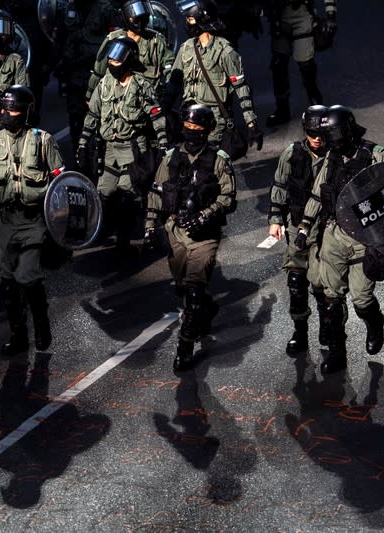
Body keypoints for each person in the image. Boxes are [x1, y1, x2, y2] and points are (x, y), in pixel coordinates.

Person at [0, 85, 64, 356]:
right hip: (6, 221)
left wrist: (61, 226)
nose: (8, 113)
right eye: (5, 108)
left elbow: (61, 183)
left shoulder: (43, 141)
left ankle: (41, 324)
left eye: (14, 109)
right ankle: (18, 335)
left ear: (26, 112)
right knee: (7, 280)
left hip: (35, 221)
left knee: (28, 276)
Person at [296, 105, 384, 373]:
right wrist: (304, 227)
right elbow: (318, 194)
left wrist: (383, 237)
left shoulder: (374, 155)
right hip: (334, 234)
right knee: (330, 299)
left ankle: (374, 321)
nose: (333, 139)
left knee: (361, 298)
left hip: (364, 236)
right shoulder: (331, 157)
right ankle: (338, 354)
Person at [145, 104, 236, 370]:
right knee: (183, 288)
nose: (191, 132)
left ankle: (184, 347)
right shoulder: (171, 156)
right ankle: (206, 309)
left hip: (204, 236)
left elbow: (228, 197)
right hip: (175, 231)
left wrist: (206, 215)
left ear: (208, 130)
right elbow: (156, 191)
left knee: (194, 292)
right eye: (188, 127)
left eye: (197, 128)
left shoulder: (219, 159)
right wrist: (150, 226)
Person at [77, 36, 169, 255]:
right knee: (104, 192)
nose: (112, 64)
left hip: (133, 148)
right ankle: (105, 228)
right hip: (109, 149)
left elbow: (156, 116)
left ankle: (124, 239)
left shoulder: (141, 86)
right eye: (111, 60)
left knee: (126, 194)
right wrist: (82, 144)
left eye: (117, 61)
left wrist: (163, 145)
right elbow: (93, 115)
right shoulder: (105, 83)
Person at [267, 105, 329, 354]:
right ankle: (300, 332)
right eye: (312, 132)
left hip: (326, 228)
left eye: (321, 132)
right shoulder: (291, 154)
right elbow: (280, 186)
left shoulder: (336, 155)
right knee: (296, 281)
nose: (317, 138)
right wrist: (275, 219)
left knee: (324, 285)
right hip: (296, 225)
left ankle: (329, 328)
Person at [169, 0, 263, 148]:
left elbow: (241, 87)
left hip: (213, 122)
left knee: (211, 163)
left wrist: (252, 123)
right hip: (190, 119)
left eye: (191, 19)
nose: (187, 23)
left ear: (203, 20)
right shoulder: (186, 48)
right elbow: (174, 82)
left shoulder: (224, 51)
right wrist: (165, 109)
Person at [56, 0, 117, 157]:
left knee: (101, 117)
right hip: (75, 72)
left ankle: (101, 154)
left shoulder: (105, 9)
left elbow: (118, 37)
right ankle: (79, 153)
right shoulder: (70, 8)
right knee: (76, 117)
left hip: (98, 74)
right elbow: (60, 36)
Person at [85, 0, 176, 105]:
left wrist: (168, 95)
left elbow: (170, 68)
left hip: (145, 101)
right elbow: (99, 71)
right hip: (115, 99)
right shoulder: (114, 39)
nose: (140, 22)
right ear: (127, 17)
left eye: (142, 18)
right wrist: (90, 94)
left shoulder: (156, 41)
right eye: (136, 18)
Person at [264, 0, 337, 127]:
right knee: (279, 66)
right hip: (279, 16)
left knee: (306, 66)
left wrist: (331, 14)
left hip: (302, 14)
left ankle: (317, 107)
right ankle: (282, 109)